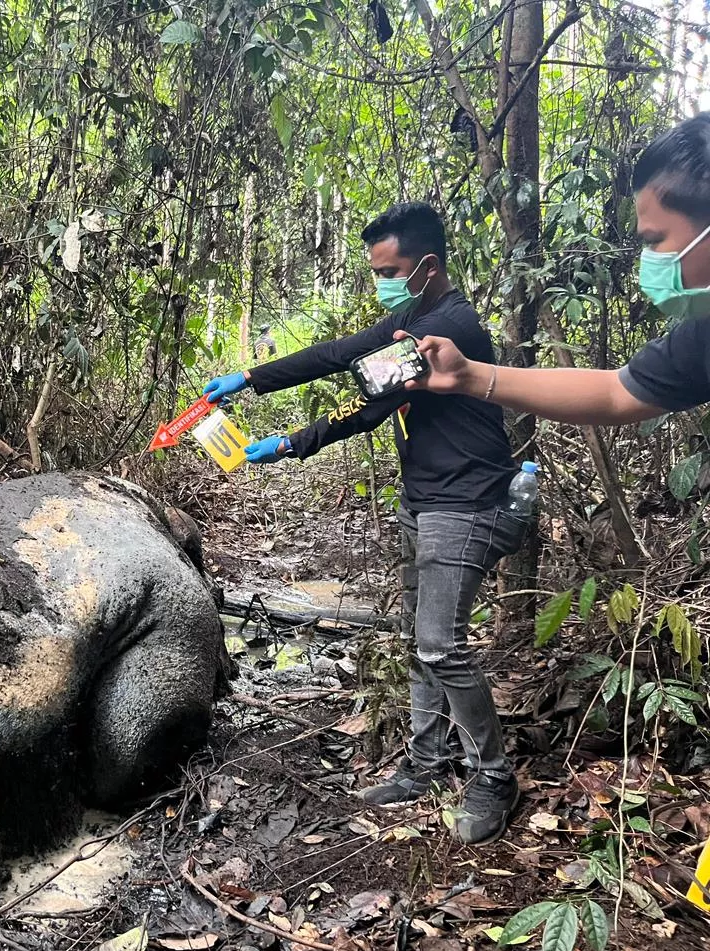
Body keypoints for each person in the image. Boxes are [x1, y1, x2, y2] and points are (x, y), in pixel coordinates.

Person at [204, 203, 527, 845]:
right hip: (425, 501)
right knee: (419, 639)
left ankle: (494, 778)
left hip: (464, 507)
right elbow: (365, 390)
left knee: (440, 645)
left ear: (427, 267)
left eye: (390, 269)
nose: (381, 280)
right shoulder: (410, 317)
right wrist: (282, 427)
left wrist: (261, 393)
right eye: (376, 270)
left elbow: (353, 370)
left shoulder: (448, 328)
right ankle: (427, 764)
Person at [402, 113, 710, 426]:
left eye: (655, 240)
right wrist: (466, 374)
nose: (650, 259)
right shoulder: (702, 336)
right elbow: (616, 392)